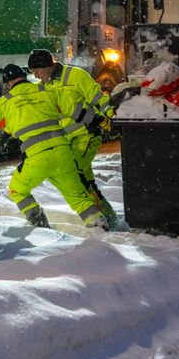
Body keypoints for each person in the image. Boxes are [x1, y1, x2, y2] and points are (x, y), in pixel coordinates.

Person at [0, 63, 108, 230]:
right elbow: (77, 111)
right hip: (63, 154)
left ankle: (41, 226)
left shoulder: (5, 103)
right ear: (24, 77)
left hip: (36, 159)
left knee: (17, 190)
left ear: (7, 83)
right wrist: (101, 120)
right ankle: (99, 226)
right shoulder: (47, 91)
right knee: (80, 199)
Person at [28, 49, 118, 228]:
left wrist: (113, 118)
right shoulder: (45, 86)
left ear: (46, 67)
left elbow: (99, 99)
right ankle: (108, 217)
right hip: (68, 141)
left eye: (36, 71)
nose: (36, 76)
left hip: (86, 135)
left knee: (76, 175)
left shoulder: (75, 76)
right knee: (83, 179)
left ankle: (103, 218)